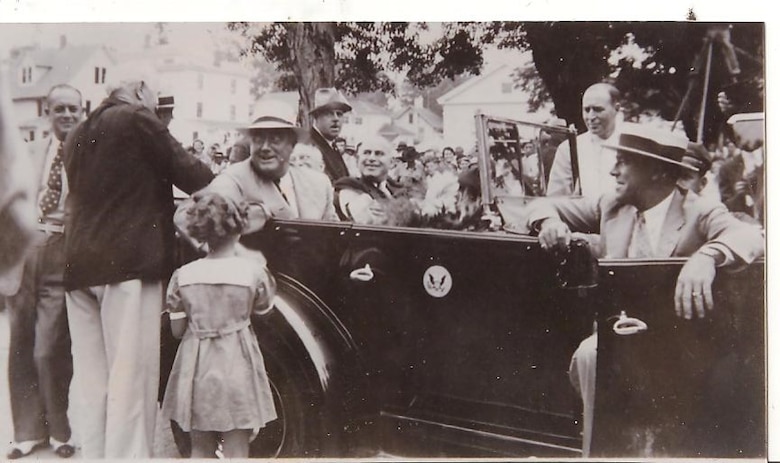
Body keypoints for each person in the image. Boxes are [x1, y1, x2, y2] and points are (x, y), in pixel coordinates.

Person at [527, 123, 764, 457]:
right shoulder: (611, 205)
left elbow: (752, 237)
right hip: (619, 340)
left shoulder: (698, 210)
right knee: (590, 354)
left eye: (623, 161)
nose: (613, 170)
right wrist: (550, 223)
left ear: (655, 172)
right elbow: (541, 205)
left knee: (597, 357)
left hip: (680, 344)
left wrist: (707, 256)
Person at [62, 67, 214, 458]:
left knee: (92, 380)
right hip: (128, 264)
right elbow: (193, 174)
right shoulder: (136, 118)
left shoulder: (77, 133)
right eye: (155, 98)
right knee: (131, 378)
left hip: (79, 268)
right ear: (141, 90)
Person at [161, 192, 277, 458]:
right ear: (239, 230)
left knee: (200, 448)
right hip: (238, 363)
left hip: (196, 368)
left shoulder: (183, 276)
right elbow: (264, 312)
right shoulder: (253, 273)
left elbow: (177, 331)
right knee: (237, 447)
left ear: (199, 233)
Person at [4, 84, 82, 460]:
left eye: (74, 109)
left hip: (61, 249)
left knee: (49, 347)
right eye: (60, 109)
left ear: (82, 113)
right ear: (48, 113)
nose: (67, 115)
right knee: (20, 342)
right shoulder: (31, 152)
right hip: (26, 250)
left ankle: (59, 429)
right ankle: (26, 432)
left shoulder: (88, 153)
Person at [203, 99, 337, 234]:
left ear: (292, 144)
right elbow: (190, 219)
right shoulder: (232, 180)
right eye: (258, 139)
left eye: (275, 139)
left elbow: (334, 239)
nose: (265, 147)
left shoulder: (318, 183)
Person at [547, 83, 622, 198]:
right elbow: (556, 199)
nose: (591, 117)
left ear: (616, 108)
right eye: (587, 110)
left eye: (598, 110)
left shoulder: (633, 143)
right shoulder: (569, 148)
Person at [334, 135, 401, 224]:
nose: (371, 158)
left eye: (378, 153)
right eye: (366, 153)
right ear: (357, 160)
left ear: (392, 162)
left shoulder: (396, 189)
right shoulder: (350, 189)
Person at [300, 87, 352, 182]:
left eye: (339, 114)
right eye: (329, 114)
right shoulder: (309, 147)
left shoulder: (331, 145)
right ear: (316, 117)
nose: (336, 119)